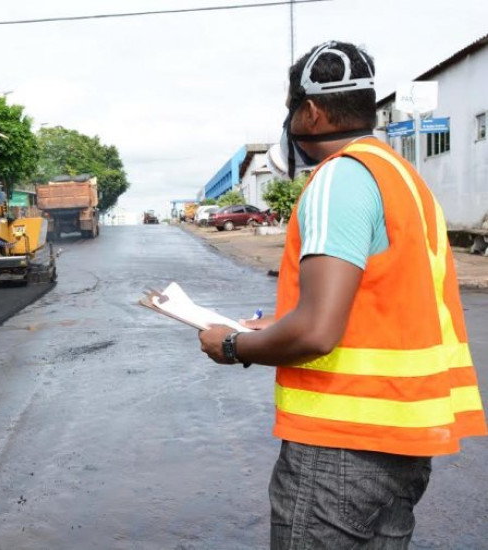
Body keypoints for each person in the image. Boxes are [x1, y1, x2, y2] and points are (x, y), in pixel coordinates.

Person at [198, 41, 486, 549]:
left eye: (291, 109)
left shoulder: (339, 178)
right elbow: (379, 302)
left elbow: (316, 331)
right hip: (403, 441)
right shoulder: (401, 176)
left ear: (309, 111)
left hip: (340, 447)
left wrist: (231, 346)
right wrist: (272, 326)